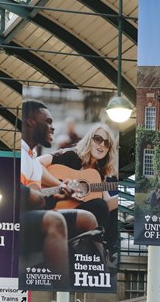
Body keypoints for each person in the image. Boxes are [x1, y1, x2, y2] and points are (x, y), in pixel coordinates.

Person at [19, 99, 98, 279]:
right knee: (54, 220)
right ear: (30, 122)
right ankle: (59, 282)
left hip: (28, 215)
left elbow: (38, 198)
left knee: (88, 218)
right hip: (12, 220)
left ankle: (92, 275)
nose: (52, 127)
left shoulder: (33, 159)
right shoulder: (18, 154)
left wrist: (56, 196)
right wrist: (27, 193)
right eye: (47, 121)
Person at [37, 121, 120, 266]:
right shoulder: (71, 156)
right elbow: (36, 164)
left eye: (106, 143)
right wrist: (62, 185)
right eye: (98, 139)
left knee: (109, 208)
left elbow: (107, 204)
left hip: (81, 214)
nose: (101, 145)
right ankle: (97, 250)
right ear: (89, 139)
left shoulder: (97, 173)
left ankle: (107, 251)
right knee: (100, 205)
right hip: (56, 211)